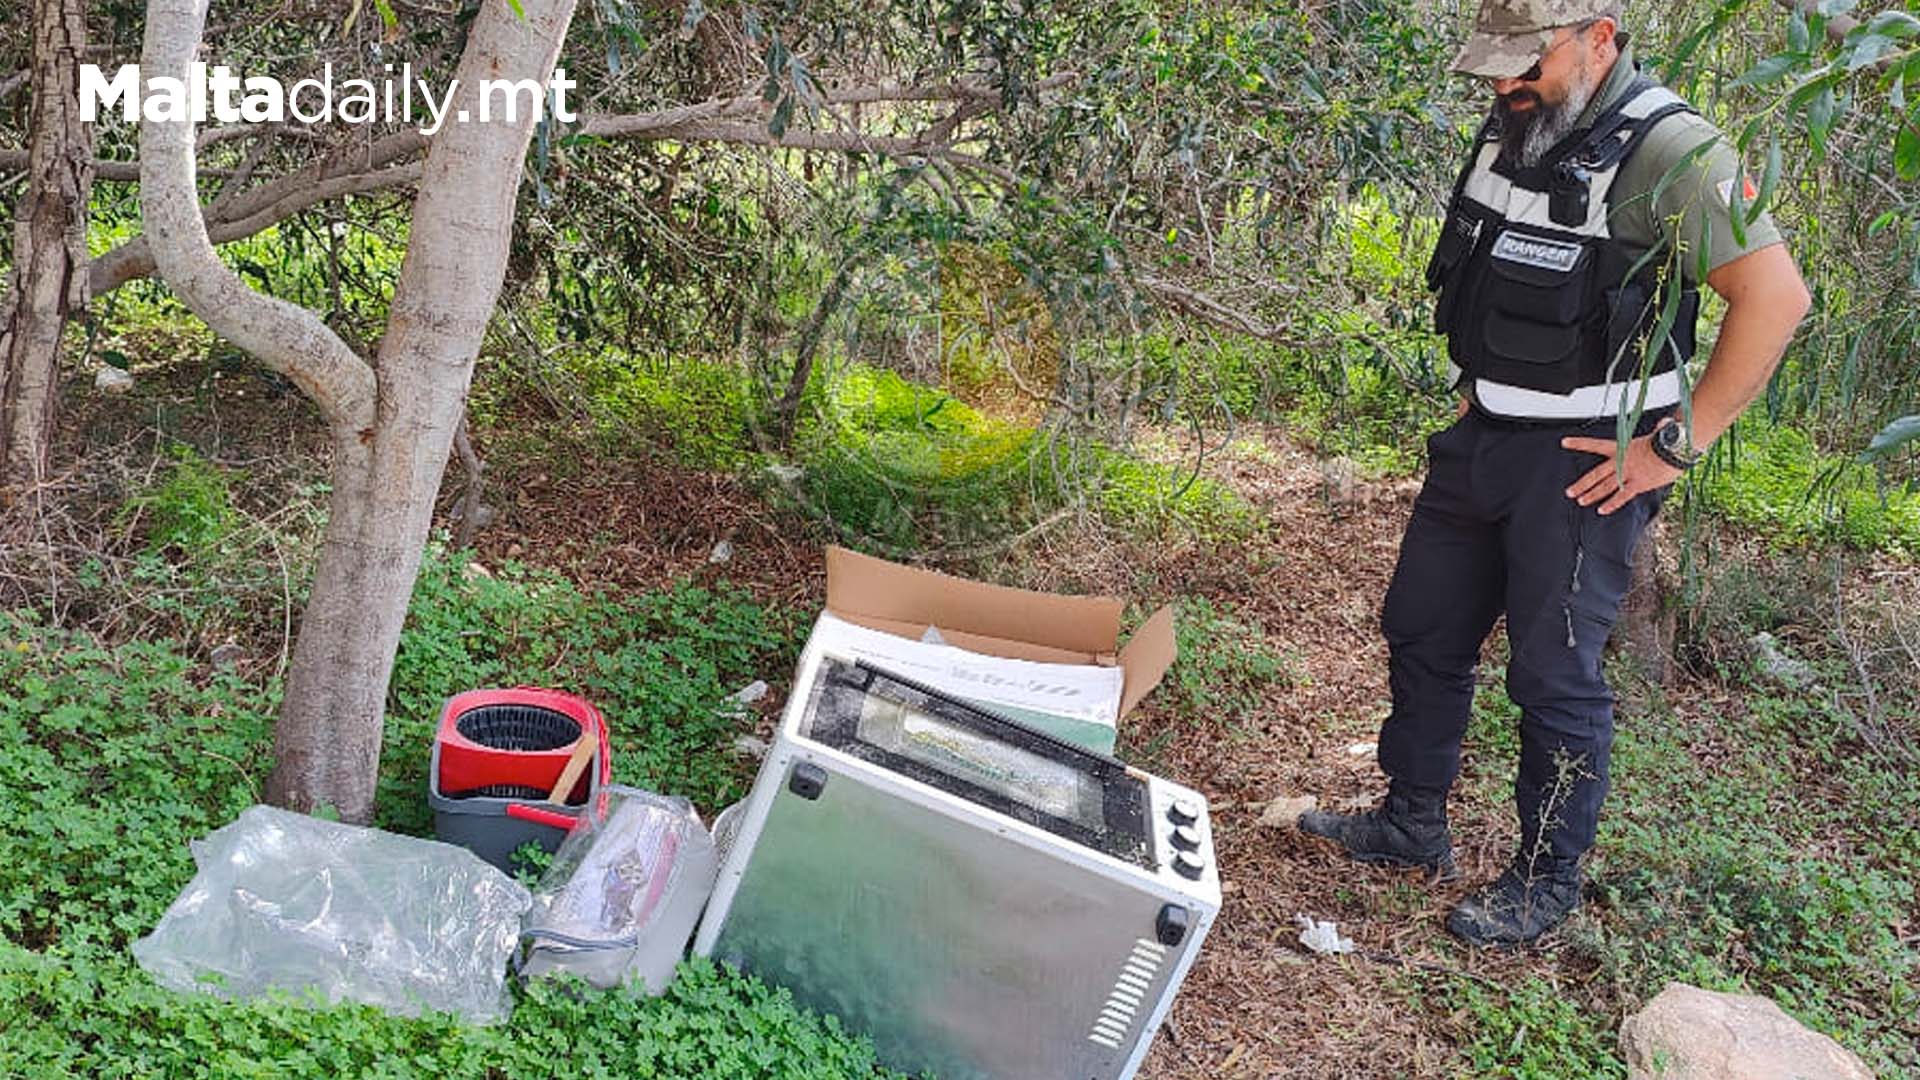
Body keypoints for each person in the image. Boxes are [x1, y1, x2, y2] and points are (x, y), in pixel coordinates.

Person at [1298, 0, 1811, 946]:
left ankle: (1545, 882)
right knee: (1422, 626)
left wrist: (1673, 445)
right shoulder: (1521, 124)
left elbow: (1776, 298)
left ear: (1600, 37)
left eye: (1524, 65)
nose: (1504, 86)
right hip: (1482, 435)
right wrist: (1472, 389)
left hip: (1581, 466)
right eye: (1493, 68)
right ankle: (1413, 823)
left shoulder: (1672, 151)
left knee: (1553, 675)